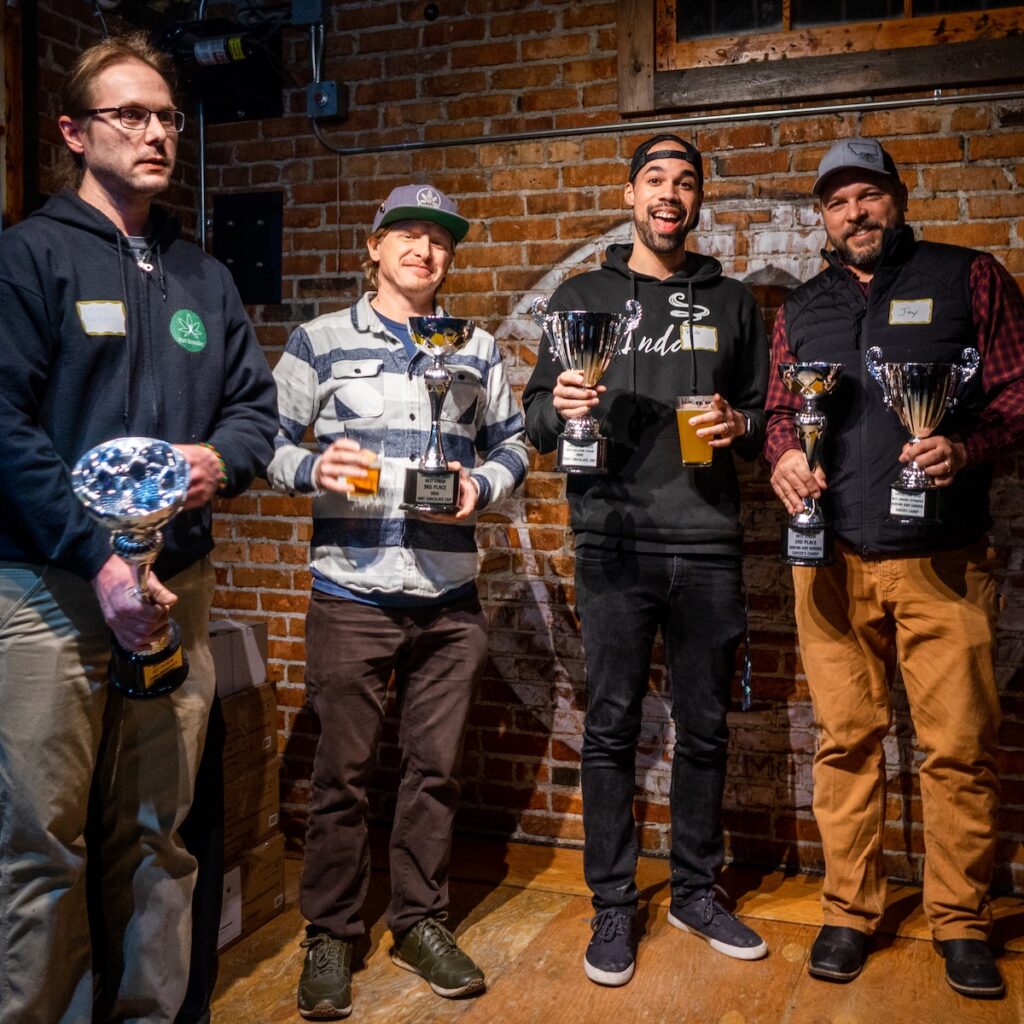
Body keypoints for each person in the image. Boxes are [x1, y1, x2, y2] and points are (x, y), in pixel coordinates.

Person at [0, 33, 277, 1024]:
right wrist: (94, 557)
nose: (157, 132)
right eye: (130, 115)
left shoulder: (202, 276)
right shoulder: (27, 258)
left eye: (166, 116)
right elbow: (6, 427)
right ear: (75, 132)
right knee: (42, 845)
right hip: (49, 590)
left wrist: (220, 459)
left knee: (161, 834)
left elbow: (255, 406)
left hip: (176, 592)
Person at [765, 137, 1024, 999]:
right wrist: (780, 462)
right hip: (830, 559)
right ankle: (850, 910)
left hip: (942, 560)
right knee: (845, 743)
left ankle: (959, 920)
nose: (856, 213)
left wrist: (967, 443)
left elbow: (1021, 395)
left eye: (869, 195)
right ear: (823, 220)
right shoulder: (802, 307)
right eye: (837, 202)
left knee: (958, 748)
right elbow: (777, 412)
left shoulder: (968, 276)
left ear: (898, 200)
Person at [268, 183, 528, 1019]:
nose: (424, 250)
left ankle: (420, 921)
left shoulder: (479, 346)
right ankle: (331, 934)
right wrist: (312, 468)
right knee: (340, 776)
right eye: (407, 235)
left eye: (440, 240)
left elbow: (516, 441)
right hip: (353, 589)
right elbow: (263, 438)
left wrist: (481, 487)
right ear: (373, 247)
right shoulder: (321, 341)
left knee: (435, 771)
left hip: (450, 597)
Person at [523, 134, 769, 986]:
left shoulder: (734, 302)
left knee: (705, 729)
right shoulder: (582, 295)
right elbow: (541, 428)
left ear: (699, 202)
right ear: (630, 195)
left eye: (686, 183)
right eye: (655, 180)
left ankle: (697, 891)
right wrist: (557, 402)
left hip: (706, 544)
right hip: (613, 544)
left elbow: (770, 418)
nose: (671, 195)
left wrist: (743, 426)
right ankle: (612, 907)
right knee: (612, 728)